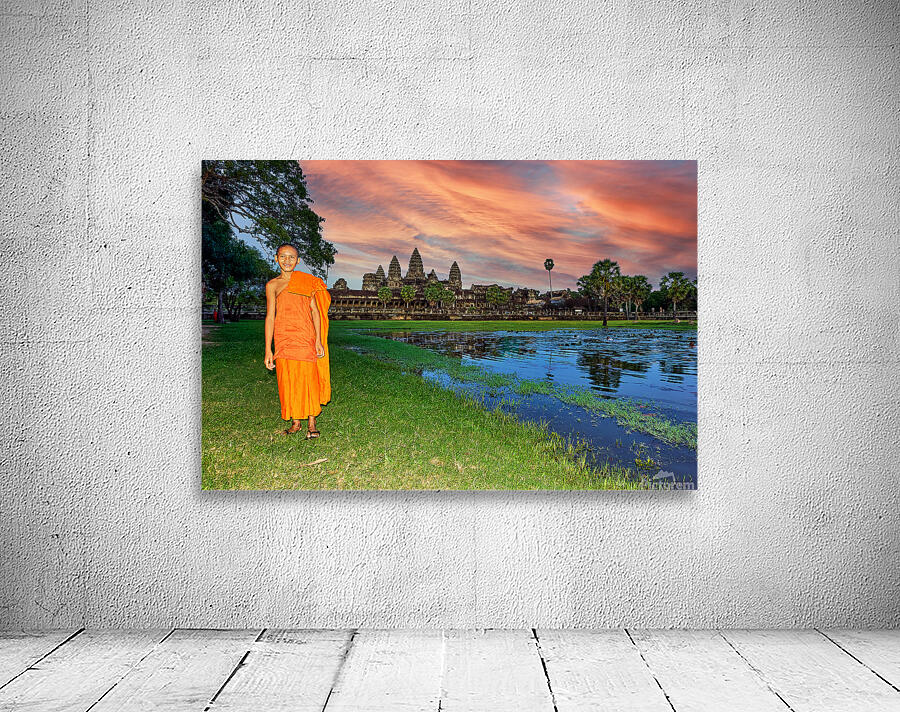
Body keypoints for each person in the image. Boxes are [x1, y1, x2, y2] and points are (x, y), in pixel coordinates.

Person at [264, 244, 331, 438]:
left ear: (298, 261)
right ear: (276, 258)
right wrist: (268, 349)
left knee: (308, 380)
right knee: (288, 380)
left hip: (305, 336)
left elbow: (315, 312)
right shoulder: (272, 285)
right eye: (283, 257)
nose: (287, 260)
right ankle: (295, 422)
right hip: (284, 337)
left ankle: (311, 422)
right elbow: (270, 317)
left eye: (291, 257)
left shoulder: (305, 281)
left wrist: (318, 340)